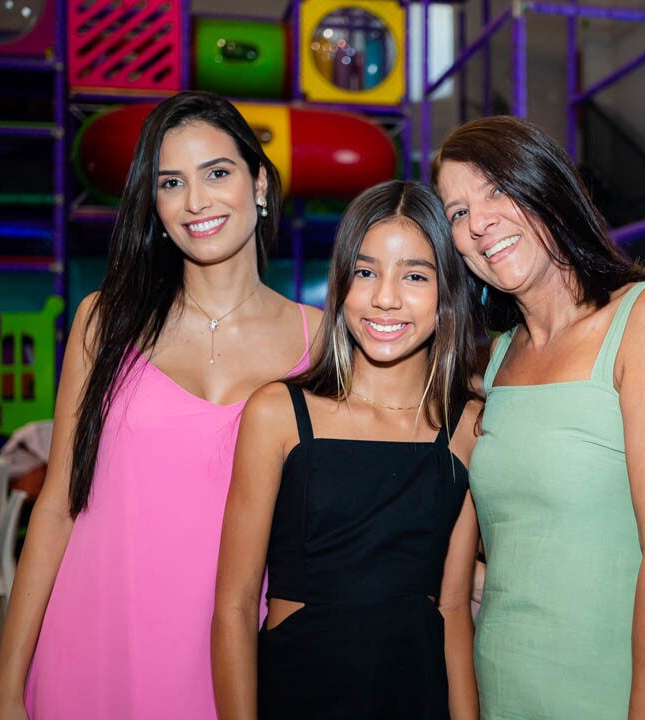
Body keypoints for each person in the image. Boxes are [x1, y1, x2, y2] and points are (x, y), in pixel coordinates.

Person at [0, 91, 321, 720]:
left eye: (217, 172)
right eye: (171, 182)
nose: (196, 201)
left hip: (231, 663)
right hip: (91, 646)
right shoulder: (104, 321)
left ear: (261, 185)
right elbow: (57, 504)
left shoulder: (324, 344)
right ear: (155, 205)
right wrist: (5, 680)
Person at [433, 116, 645, 720]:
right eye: (457, 212)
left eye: (496, 190)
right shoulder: (499, 359)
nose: (479, 222)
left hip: (606, 694)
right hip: (500, 683)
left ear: (550, 192)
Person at [212, 180, 483, 719]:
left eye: (414, 275)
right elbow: (235, 607)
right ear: (341, 284)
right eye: (365, 272)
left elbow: (453, 607)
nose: (385, 296)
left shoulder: (467, 427)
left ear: (446, 291)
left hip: (416, 690)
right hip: (300, 690)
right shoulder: (278, 413)